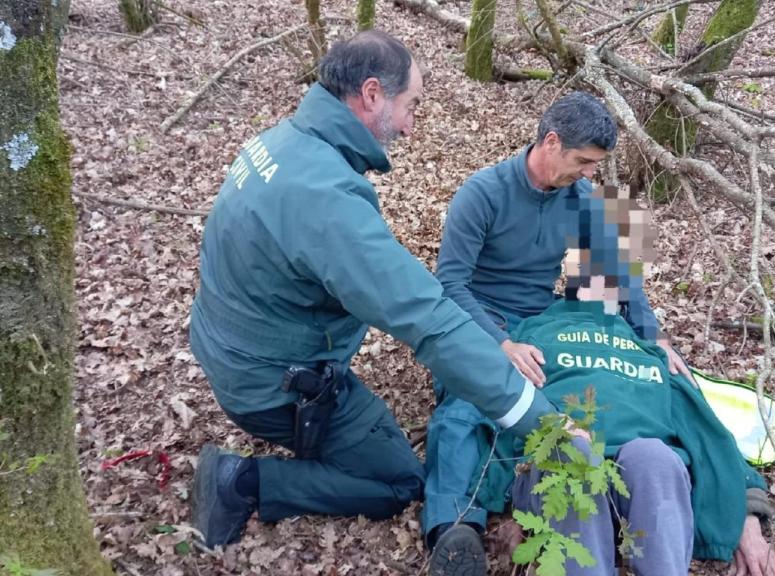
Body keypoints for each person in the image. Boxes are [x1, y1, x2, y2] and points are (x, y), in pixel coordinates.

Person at [188, 30, 556, 549]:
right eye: (411, 105)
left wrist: (645, 325)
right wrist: (540, 420)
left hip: (227, 343)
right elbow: (431, 311)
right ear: (371, 94)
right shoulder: (476, 191)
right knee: (399, 480)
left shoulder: (282, 141)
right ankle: (241, 482)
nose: (410, 126)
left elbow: (620, 262)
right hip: (269, 381)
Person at [423, 93, 692, 575]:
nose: (589, 173)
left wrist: (655, 338)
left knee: (594, 376)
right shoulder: (482, 192)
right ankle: (455, 523)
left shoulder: (588, 199)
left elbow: (621, 281)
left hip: (542, 319)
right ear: (550, 142)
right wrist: (499, 344)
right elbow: (449, 284)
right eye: (582, 161)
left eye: (596, 165)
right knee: (465, 404)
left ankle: (612, 478)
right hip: (478, 319)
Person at [504, 274, 775, 576]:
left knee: (654, 456)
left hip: (643, 482)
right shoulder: (531, 334)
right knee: (574, 450)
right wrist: (496, 504)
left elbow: (706, 432)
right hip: (562, 475)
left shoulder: (651, 350)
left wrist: (745, 515)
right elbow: (501, 403)